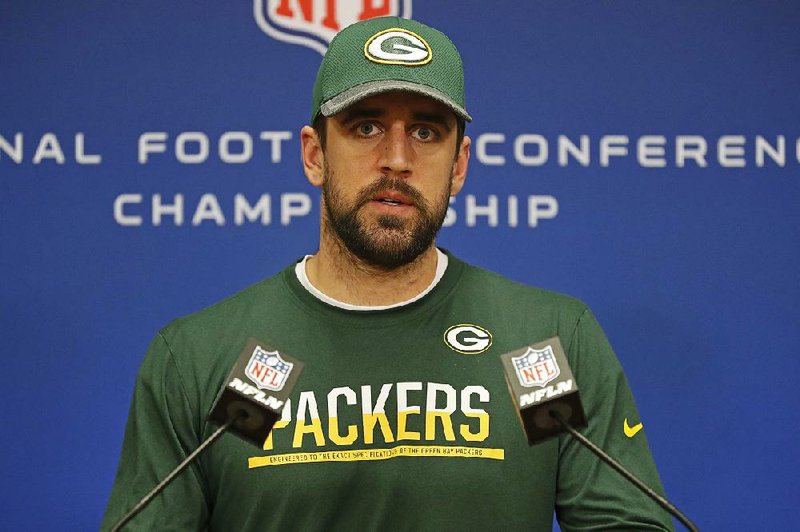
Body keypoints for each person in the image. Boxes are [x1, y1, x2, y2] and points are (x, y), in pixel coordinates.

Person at [102, 16, 674, 531]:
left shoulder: (544, 343)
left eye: (426, 132)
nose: (397, 158)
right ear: (314, 154)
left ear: (459, 166)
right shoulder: (200, 357)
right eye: (366, 127)